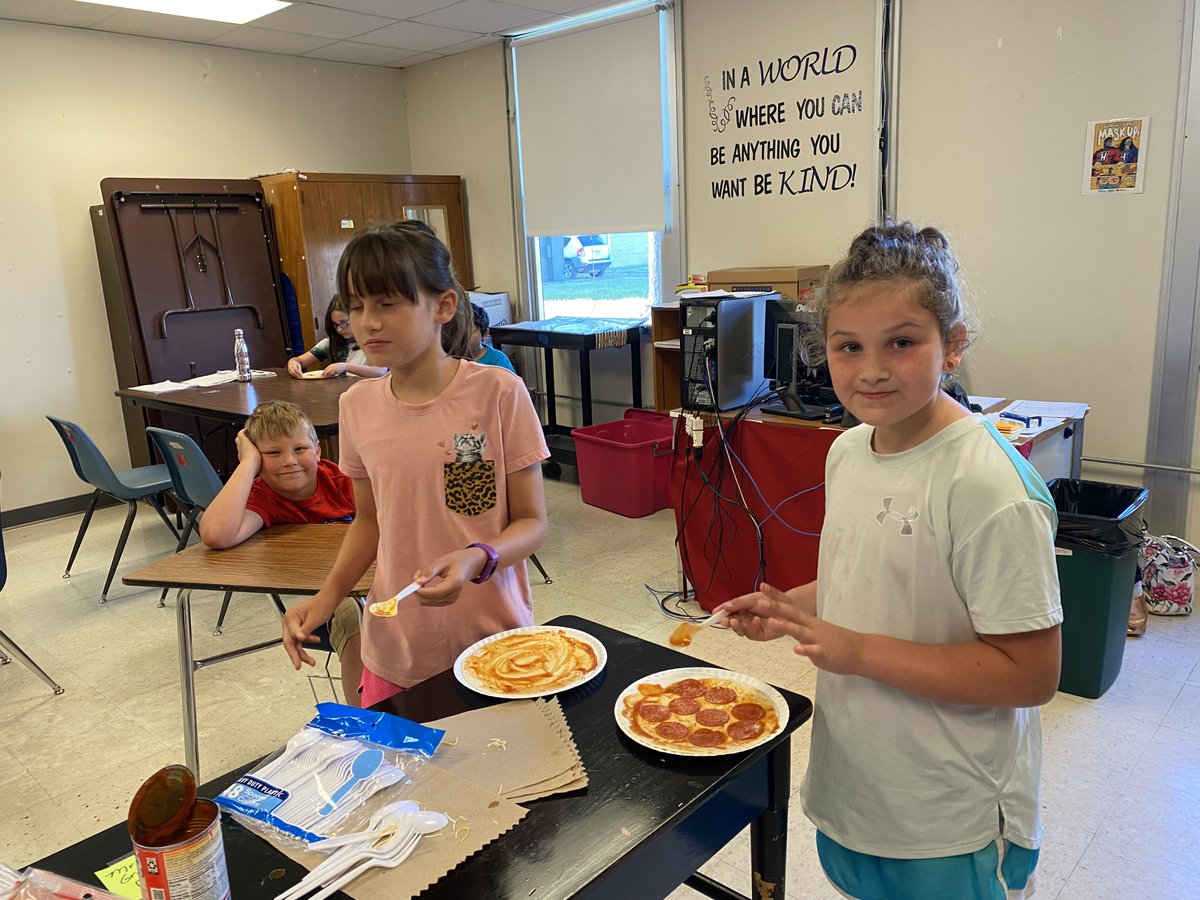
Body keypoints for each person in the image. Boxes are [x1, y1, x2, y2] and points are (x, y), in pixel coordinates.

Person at [717, 221, 1062, 900]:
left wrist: (857, 651)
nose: (871, 370)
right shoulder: (850, 448)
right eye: (848, 347)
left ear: (953, 345)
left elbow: (1031, 674)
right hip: (860, 786)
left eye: (902, 343)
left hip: (949, 814)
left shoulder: (987, 487)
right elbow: (868, 578)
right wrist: (795, 607)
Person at [280, 220, 550, 707]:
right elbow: (369, 521)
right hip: (397, 644)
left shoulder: (497, 392)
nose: (369, 322)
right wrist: (325, 600)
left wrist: (477, 557)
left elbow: (531, 522)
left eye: (388, 304)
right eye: (357, 306)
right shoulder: (357, 405)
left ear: (444, 306)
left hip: (495, 640)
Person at [198, 400, 365, 704]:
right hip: (328, 603)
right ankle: (370, 728)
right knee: (356, 624)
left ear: (318, 451)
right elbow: (216, 534)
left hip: (378, 586)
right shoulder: (265, 497)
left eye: (300, 449)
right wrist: (247, 464)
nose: (289, 460)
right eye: (273, 453)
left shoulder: (344, 481)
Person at [287, 294, 388, 379]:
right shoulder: (330, 343)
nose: (339, 329)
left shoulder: (373, 340)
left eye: (344, 323)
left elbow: (380, 371)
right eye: (335, 325)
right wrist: (293, 363)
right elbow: (299, 360)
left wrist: (345, 367)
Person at [468, 301, 516, 373]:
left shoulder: (498, 360)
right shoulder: (453, 359)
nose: (464, 337)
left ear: (484, 334)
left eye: (470, 331)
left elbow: (512, 383)